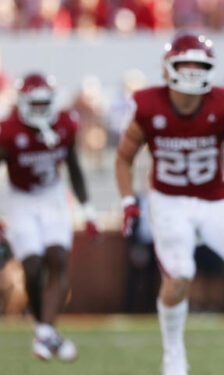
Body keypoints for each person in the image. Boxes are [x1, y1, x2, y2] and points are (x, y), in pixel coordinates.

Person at [114, 32, 224, 375]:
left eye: (198, 65)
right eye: (184, 64)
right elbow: (123, 158)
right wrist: (128, 200)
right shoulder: (148, 105)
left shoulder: (222, 104)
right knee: (180, 276)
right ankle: (174, 357)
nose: (191, 71)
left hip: (213, 198)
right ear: (168, 67)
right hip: (169, 200)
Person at [0, 72, 99, 361]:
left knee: (57, 257)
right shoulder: (8, 130)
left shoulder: (66, 124)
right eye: (36, 104)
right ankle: (47, 333)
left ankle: (44, 334)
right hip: (20, 198)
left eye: (46, 104)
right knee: (31, 265)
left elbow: (74, 167)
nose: (42, 111)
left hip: (53, 195)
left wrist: (88, 210)